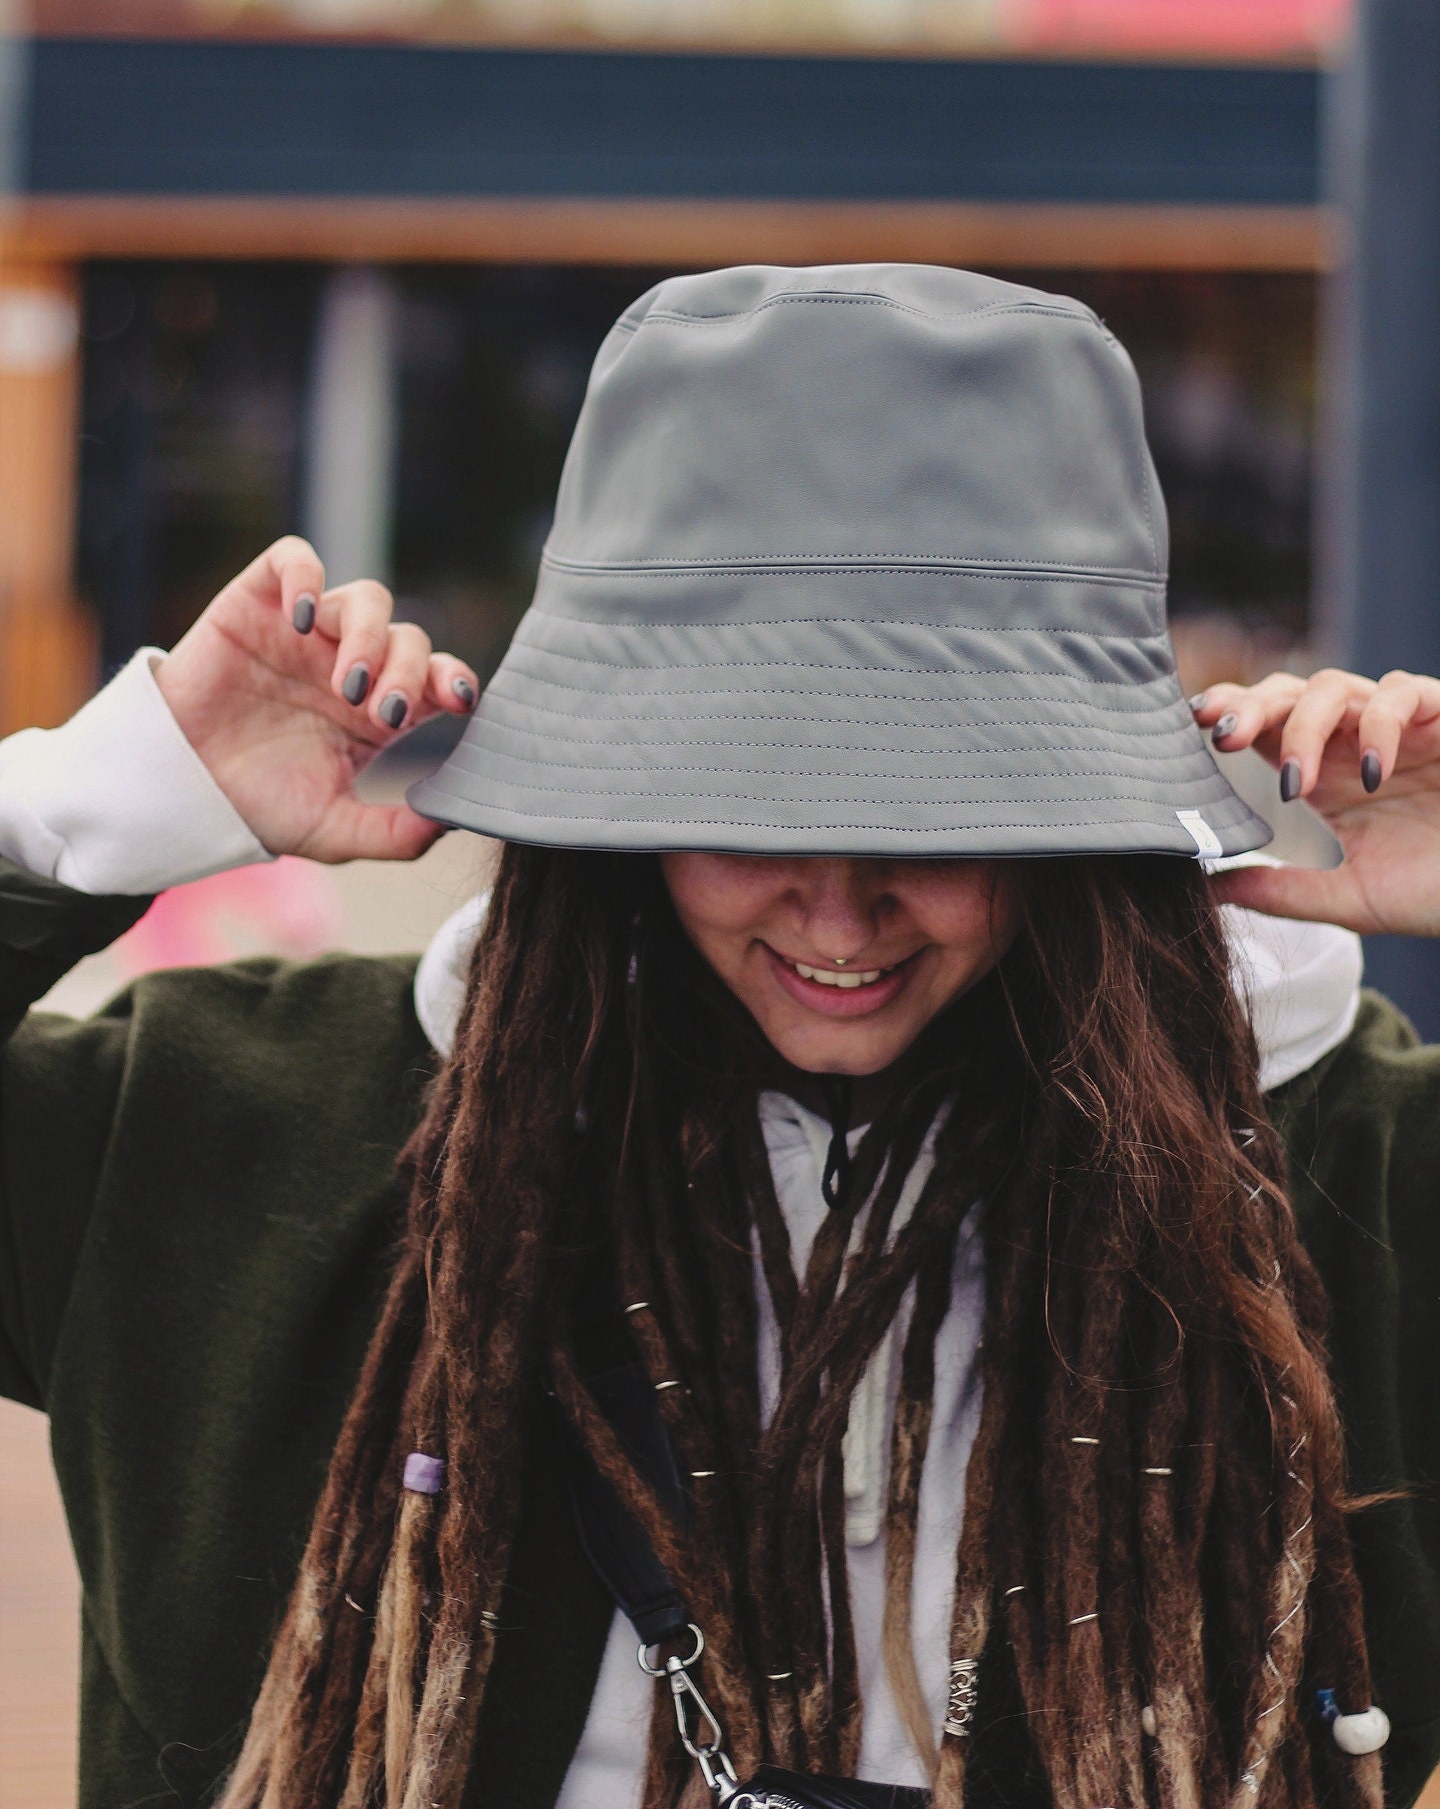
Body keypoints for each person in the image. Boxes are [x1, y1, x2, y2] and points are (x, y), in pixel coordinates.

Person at [1, 263, 1437, 1809]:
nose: (839, 912)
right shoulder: (230, 1119)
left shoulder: (1347, 1168)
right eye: (742, 808)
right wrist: (99, 805)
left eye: (944, 818)